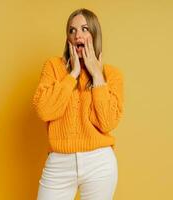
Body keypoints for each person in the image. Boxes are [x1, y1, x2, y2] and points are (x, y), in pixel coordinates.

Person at [32, 8, 124, 200]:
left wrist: (97, 75)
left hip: (99, 163)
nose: (77, 35)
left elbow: (107, 123)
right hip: (59, 162)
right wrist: (72, 75)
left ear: (94, 34)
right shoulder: (53, 67)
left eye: (84, 29)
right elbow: (44, 111)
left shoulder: (112, 75)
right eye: (72, 30)